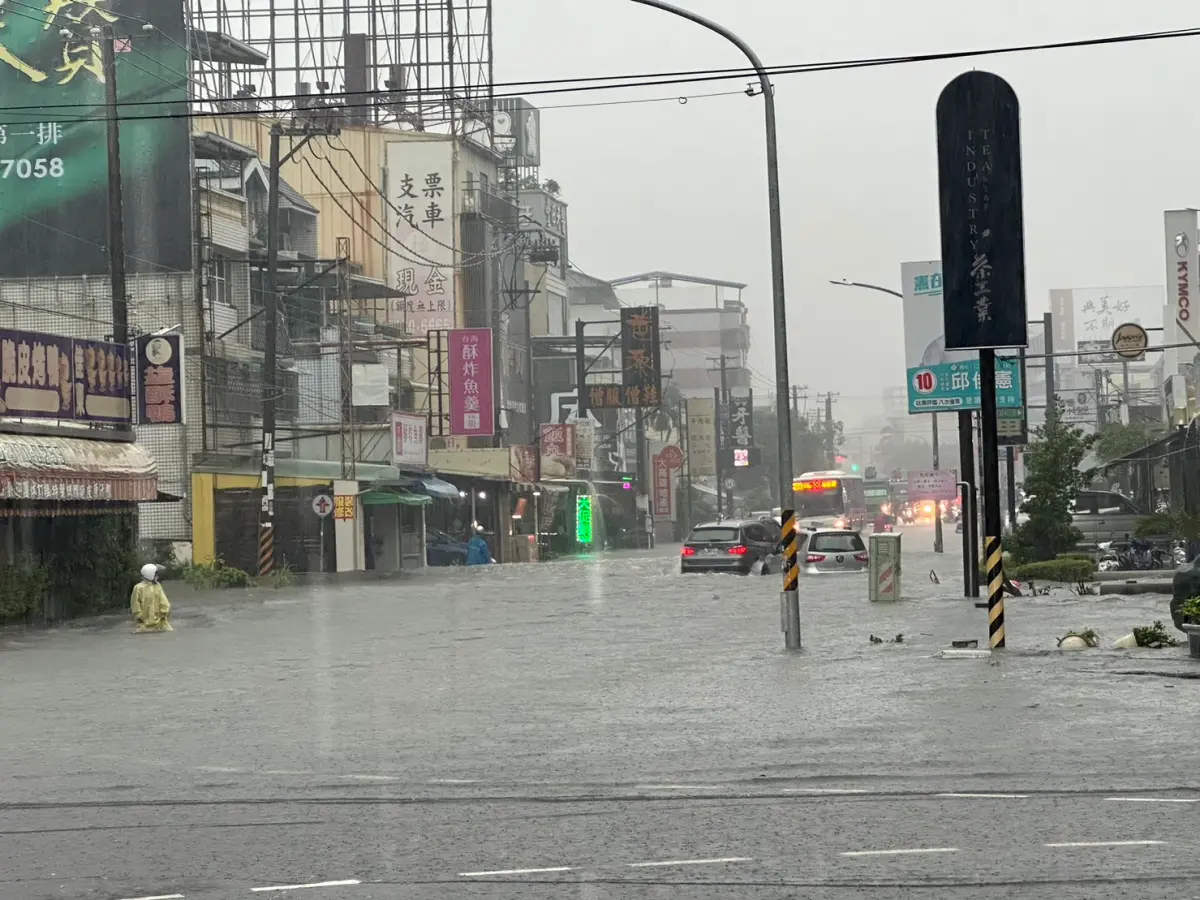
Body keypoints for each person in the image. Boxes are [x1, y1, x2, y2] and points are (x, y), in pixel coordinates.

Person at [131, 563, 173, 633]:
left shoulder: (157, 586)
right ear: (150, 575)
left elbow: (164, 601)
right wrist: (139, 616)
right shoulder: (138, 588)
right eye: (156, 575)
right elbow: (135, 604)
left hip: (160, 622)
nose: (157, 576)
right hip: (144, 624)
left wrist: (164, 613)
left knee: (170, 632)